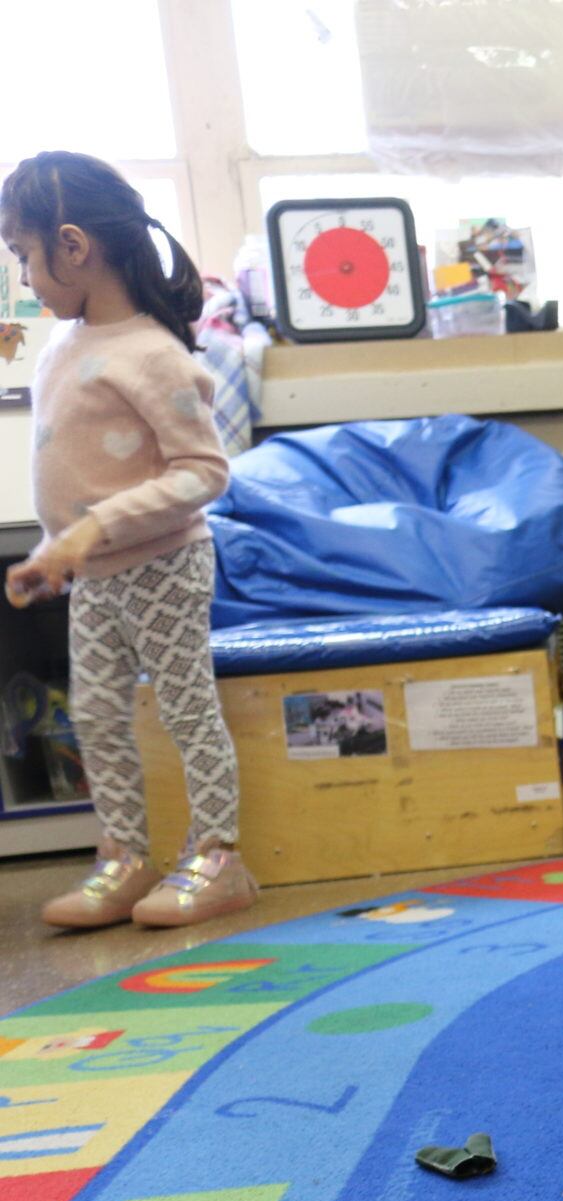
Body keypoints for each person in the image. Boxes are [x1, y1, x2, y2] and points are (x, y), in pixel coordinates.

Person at [2, 153, 252, 930]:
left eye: (22, 256)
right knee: (100, 716)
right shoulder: (62, 343)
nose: (23, 278)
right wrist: (54, 554)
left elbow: (205, 472)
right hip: (96, 575)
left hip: (165, 564)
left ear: (73, 247)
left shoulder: (152, 354)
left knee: (185, 709)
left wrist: (93, 529)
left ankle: (219, 857)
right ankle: (123, 856)